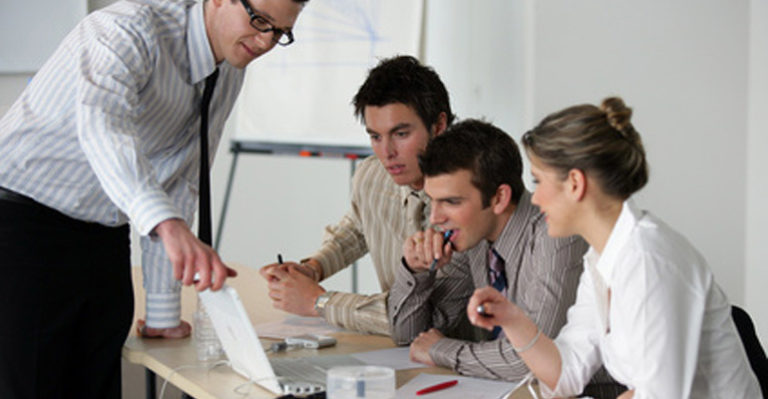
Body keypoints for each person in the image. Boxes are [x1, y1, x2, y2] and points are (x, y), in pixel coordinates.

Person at [0, 0, 307, 396]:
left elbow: (181, 178)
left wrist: (163, 311)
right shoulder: (126, 30)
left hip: (104, 235)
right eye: (260, 21)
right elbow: (103, 128)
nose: (265, 41)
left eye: (279, 32)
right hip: (20, 224)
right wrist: (165, 223)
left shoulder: (228, 70)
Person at [467, 97, 761, 398]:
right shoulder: (601, 258)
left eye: (538, 181)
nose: (536, 198)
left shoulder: (648, 261)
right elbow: (567, 371)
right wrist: (512, 319)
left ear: (575, 183)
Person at [388, 119, 622, 397]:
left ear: (499, 198)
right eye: (432, 200)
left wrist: (441, 349)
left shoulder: (555, 233)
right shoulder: (473, 238)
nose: (435, 218)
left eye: (451, 202)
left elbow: (531, 361)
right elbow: (409, 337)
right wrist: (416, 271)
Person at [259, 55, 454, 335]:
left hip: (457, 355)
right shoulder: (373, 175)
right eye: (375, 137)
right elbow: (358, 228)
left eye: (400, 134)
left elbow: (426, 316)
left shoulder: (466, 201)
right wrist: (314, 269)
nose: (387, 153)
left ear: (438, 126)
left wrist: (319, 302)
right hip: (398, 353)